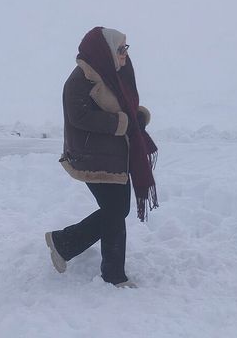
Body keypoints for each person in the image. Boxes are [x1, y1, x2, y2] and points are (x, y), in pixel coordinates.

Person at [45, 27, 158, 287]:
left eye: (126, 48)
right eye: (120, 49)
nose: (125, 54)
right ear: (105, 50)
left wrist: (135, 117)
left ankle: (63, 242)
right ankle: (113, 274)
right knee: (116, 211)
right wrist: (122, 123)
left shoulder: (113, 73)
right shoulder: (81, 79)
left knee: (116, 210)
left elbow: (125, 107)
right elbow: (80, 117)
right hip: (93, 158)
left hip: (115, 156)